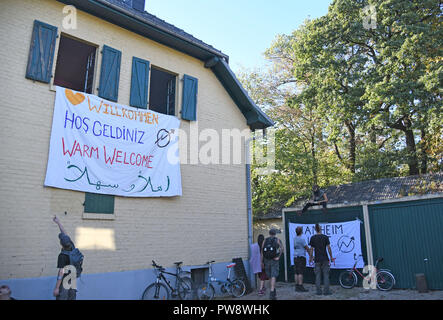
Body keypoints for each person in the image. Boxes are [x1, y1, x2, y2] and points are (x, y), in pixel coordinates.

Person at [53, 215, 77, 300]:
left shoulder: (62, 255)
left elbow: (61, 272)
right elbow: (64, 233)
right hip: (73, 279)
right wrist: (58, 222)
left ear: (61, 244)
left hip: (65, 281)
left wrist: (56, 287)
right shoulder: (72, 246)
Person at [309, 223, 335, 296]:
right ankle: (326, 291)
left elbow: (311, 249)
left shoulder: (313, 238)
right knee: (326, 275)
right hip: (325, 258)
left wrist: (311, 258)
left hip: (317, 259)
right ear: (321, 229)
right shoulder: (325, 237)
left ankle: (318, 291)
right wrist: (331, 257)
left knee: (317, 275)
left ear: (315, 229)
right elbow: (329, 248)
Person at [261, 229, 284, 300]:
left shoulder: (265, 240)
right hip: (274, 260)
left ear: (269, 233)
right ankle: (272, 291)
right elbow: (282, 248)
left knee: (270, 275)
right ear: (275, 234)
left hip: (266, 260)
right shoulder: (277, 240)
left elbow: (261, 251)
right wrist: (278, 257)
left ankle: (273, 291)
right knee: (273, 275)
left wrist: (261, 262)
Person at [293, 226, 312, 292]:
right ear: (301, 232)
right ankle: (300, 286)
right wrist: (311, 255)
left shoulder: (294, 238)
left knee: (296, 272)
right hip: (301, 257)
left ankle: (296, 286)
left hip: (295, 256)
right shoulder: (301, 239)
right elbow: (307, 248)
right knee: (300, 272)